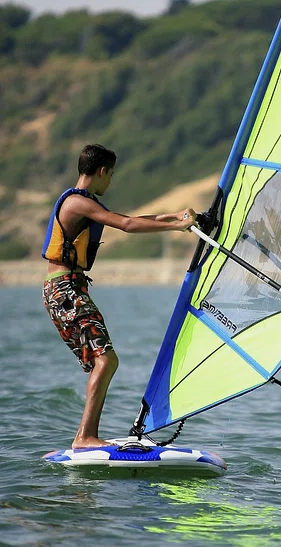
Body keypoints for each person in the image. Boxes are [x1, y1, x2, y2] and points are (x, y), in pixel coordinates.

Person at [42, 143, 196, 448]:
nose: (110, 182)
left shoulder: (83, 203)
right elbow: (125, 225)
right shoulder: (76, 203)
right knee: (106, 360)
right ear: (101, 172)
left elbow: (127, 218)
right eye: (110, 175)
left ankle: (83, 436)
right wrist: (179, 227)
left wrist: (171, 217)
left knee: (105, 360)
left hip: (65, 290)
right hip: (65, 291)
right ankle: (85, 437)